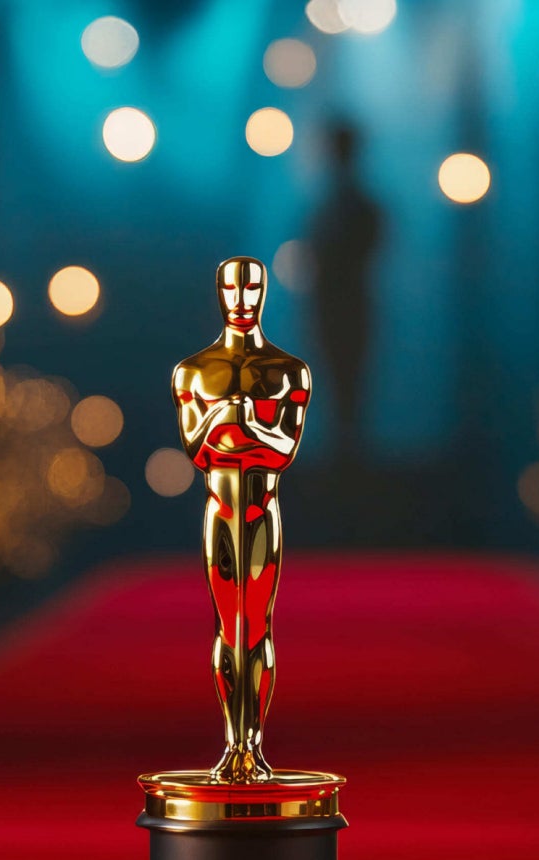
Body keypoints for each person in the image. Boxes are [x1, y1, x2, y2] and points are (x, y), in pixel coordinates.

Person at [171, 257, 310, 782]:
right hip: (221, 509)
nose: (242, 295)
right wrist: (236, 425)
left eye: (251, 285)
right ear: (219, 290)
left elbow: (284, 451)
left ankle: (253, 745)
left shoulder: (287, 371)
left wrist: (238, 421)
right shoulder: (194, 371)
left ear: (264, 291)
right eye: (232, 285)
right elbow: (196, 449)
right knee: (229, 627)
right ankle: (234, 745)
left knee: (258, 628)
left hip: (260, 510)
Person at [306, 124, 380, 462]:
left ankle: (346, 455)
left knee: (349, 378)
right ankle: (340, 451)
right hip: (333, 302)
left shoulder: (351, 206)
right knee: (334, 376)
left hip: (347, 303)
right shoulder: (333, 205)